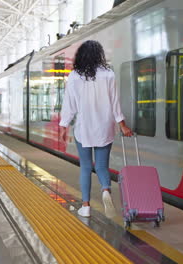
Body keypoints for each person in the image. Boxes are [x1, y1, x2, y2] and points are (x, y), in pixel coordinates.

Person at [59, 40, 133, 218]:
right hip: (105, 127)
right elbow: (115, 103)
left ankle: (86, 206)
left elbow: (70, 105)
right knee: (101, 166)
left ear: (81, 56)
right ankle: (106, 189)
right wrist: (122, 125)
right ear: (99, 55)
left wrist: (63, 126)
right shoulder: (108, 74)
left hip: (84, 128)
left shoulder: (75, 76)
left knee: (85, 167)